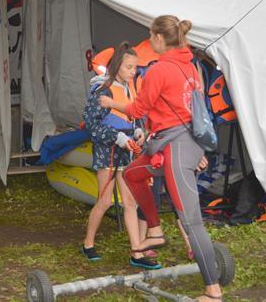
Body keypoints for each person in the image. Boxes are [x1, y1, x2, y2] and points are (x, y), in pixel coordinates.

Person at [100, 15, 223, 301]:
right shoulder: (190, 66)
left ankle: (213, 291)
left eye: (150, 35)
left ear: (158, 38)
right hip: (172, 144)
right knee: (133, 174)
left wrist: (110, 102)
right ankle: (154, 230)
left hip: (176, 147)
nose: (149, 40)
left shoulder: (159, 70)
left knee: (191, 222)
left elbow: (137, 110)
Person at [80, 42, 160, 270]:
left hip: (127, 152)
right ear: (117, 66)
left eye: (135, 67)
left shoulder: (129, 88)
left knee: (130, 202)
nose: (133, 72)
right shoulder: (102, 90)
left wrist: (137, 132)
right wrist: (117, 137)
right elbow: (92, 125)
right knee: (105, 201)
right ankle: (88, 244)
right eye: (128, 67)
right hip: (107, 152)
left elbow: (133, 117)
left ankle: (137, 251)